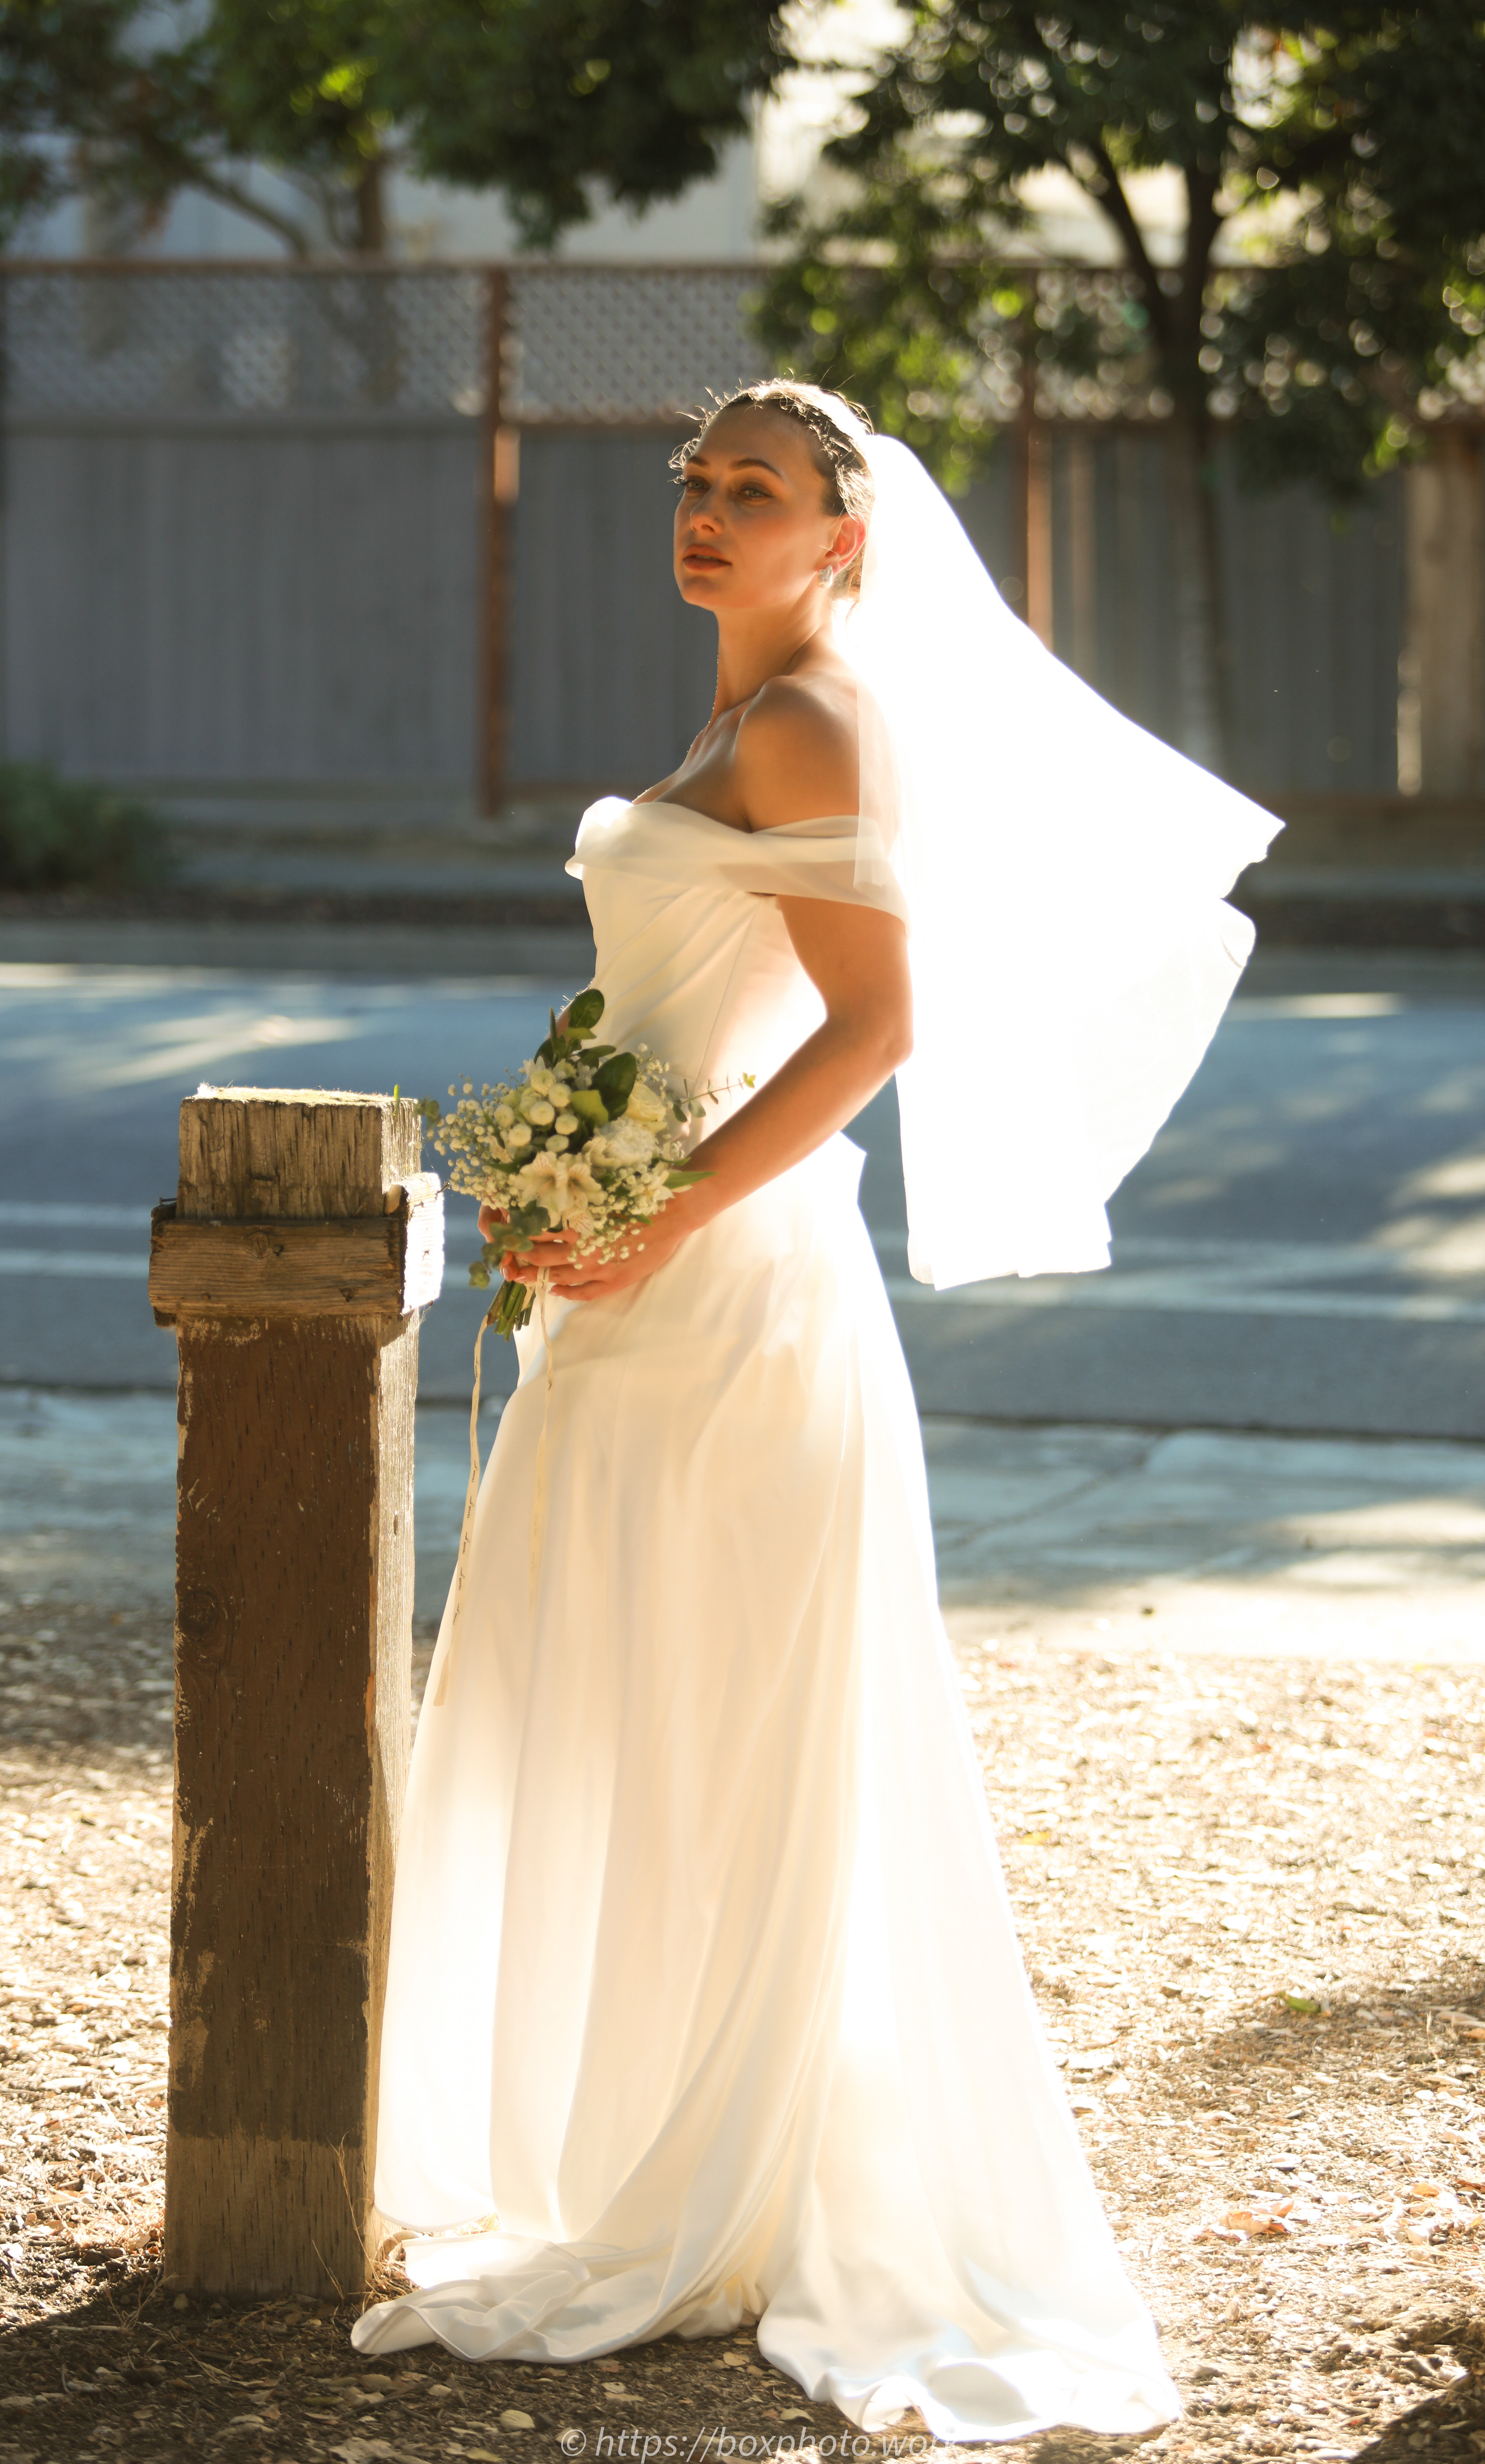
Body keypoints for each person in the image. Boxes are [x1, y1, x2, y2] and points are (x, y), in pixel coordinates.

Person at [350, 381, 1281, 2441]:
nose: (704, 512)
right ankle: (637, 2142)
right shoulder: (740, 723)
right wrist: (574, 1167)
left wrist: (654, 1209)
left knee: (730, 1716)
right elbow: (689, 1006)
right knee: (628, 1703)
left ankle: (735, 2181)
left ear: (841, 538)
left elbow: (874, 1027)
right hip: (644, 1283)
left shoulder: (815, 725)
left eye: (752, 491)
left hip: (734, 1298)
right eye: (693, 483)